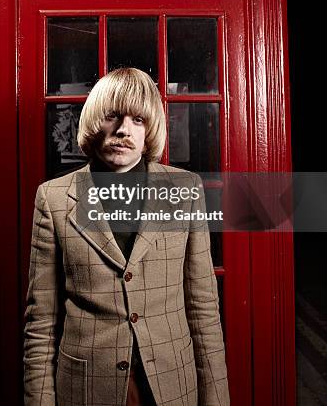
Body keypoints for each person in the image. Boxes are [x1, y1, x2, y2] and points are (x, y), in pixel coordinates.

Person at [23, 67, 230, 405]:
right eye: (113, 116)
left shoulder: (185, 190)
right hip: (88, 387)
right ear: (93, 121)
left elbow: (203, 306)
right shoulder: (54, 198)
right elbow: (41, 321)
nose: (123, 130)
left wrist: (217, 399)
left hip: (171, 383)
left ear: (151, 130)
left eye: (138, 119)